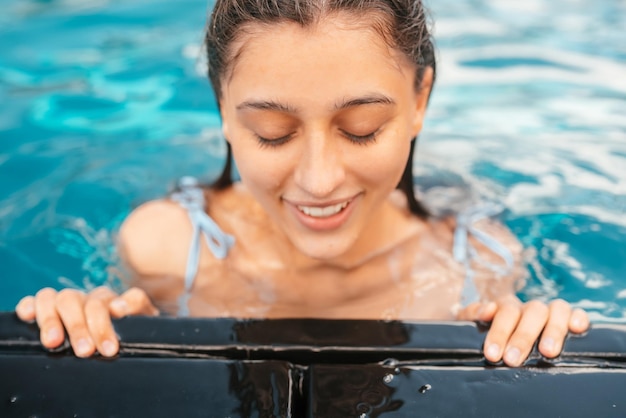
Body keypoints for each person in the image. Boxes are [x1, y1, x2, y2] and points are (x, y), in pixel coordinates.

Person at [15, 0, 588, 367]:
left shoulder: (477, 263)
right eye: (272, 133)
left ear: (421, 101)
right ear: (222, 111)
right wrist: (86, 325)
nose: (319, 180)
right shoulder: (165, 247)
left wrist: (535, 339)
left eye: (361, 130)